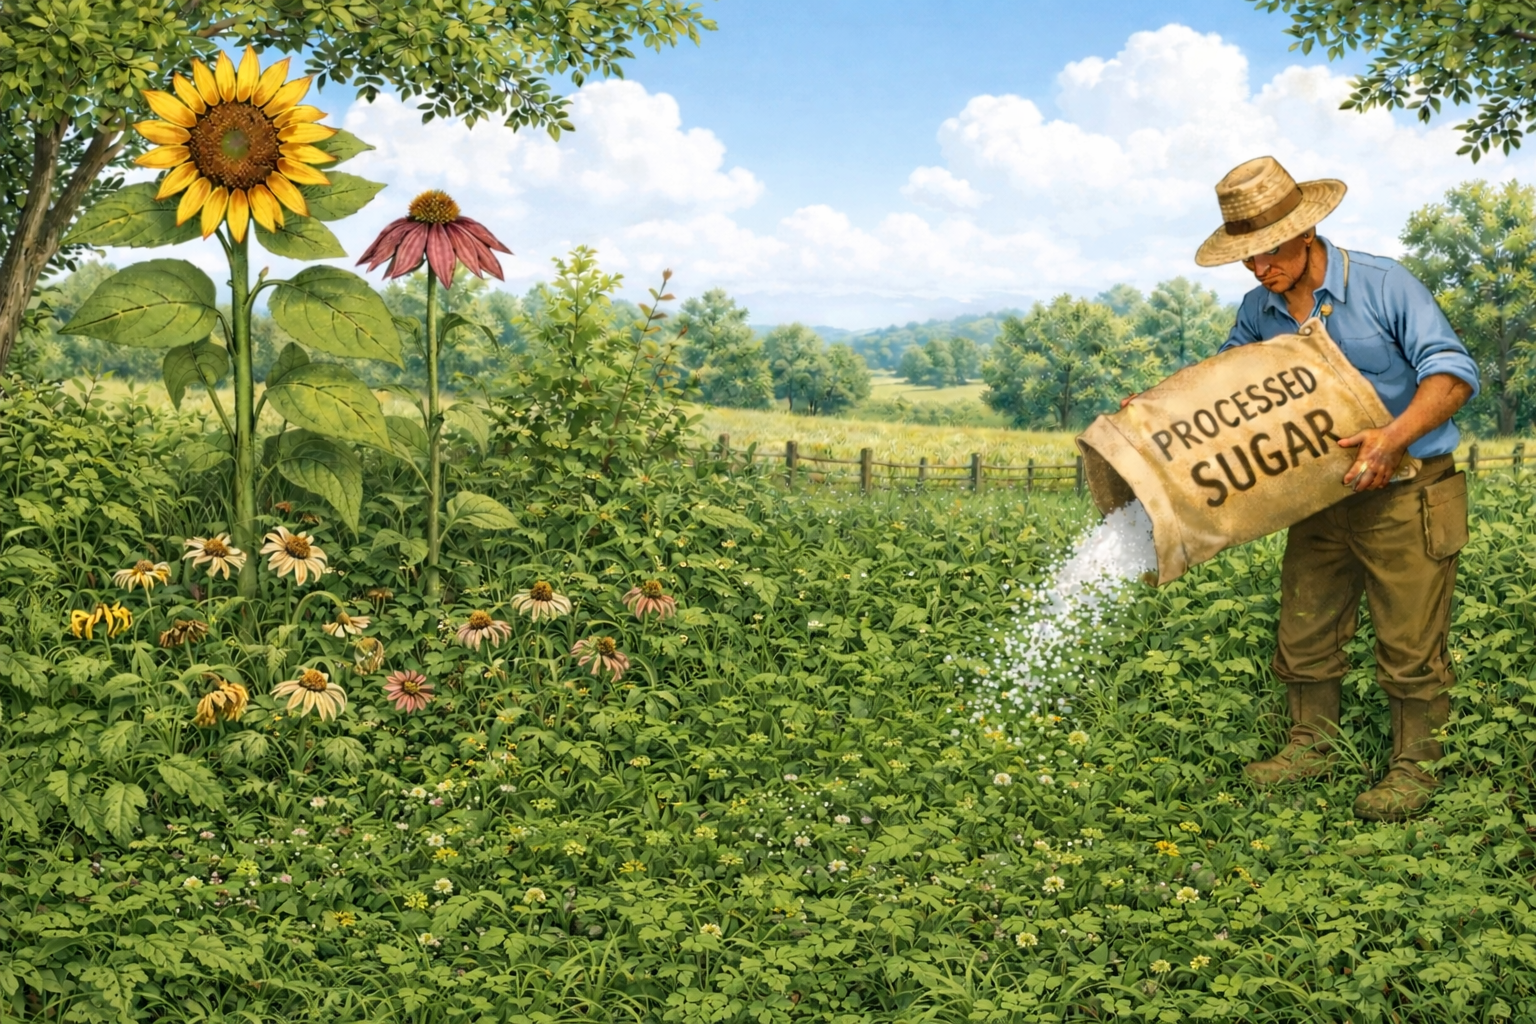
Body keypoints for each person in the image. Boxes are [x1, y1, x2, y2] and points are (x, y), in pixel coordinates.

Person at [1155, 156, 1478, 821]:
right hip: (1321, 495)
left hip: (1407, 489)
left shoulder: (1386, 286)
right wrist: (1159, 413)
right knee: (1305, 627)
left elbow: (1451, 374)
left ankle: (1416, 768)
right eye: (1245, 258)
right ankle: (1312, 745)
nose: (1258, 268)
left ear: (1306, 233)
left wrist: (1391, 439)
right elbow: (1226, 387)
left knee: (1410, 639)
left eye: (1268, 251)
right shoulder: (1259, 309)